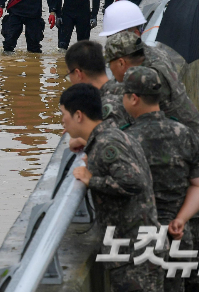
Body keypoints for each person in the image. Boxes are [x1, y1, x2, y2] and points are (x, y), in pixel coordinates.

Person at [105, 31, 199, 291]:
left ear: (121, 62)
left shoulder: (151, 76)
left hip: (197, 168)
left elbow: (125, 95)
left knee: (197, 251)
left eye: (111, 65)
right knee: (187, 250)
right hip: (190, 168)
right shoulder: (151, 57)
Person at [63, 83, 163, 292]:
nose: (62, 122)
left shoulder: (107, 144)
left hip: (133, 254)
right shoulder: (110, 136)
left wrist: (92, 180)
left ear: (79, 115)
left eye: (64, 115)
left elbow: (135, 182)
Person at [121, 66, 199, 292]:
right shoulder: (184, 133)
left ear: (133, 98)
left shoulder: (125, 140)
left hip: (140, 238)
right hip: (179, 235)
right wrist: (181, 218)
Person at [65, 40, 132, 129]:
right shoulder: (124, 89)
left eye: (69, 75)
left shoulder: (105, 105)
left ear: (78, 73)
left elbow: (112, 140)